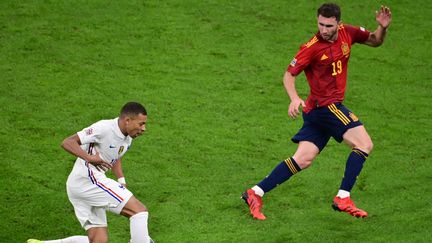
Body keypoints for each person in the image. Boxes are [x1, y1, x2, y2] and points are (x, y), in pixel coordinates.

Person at [242, 3, 392, 220]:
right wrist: (294, 98)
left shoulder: (347, 32)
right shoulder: (311, 47)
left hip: (315, 111)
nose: (323, 29)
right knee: (364, 144)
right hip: (326, 108)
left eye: (328, 25)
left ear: (338, 23)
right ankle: (343, 197)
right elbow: (288, 75)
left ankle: (255, 192)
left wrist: (383, 28)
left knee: (303, 159)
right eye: (320, 24)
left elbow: (375, 40)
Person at [28, 102, 153, 243]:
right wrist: (89, 158)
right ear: (128, 120)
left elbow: (115, 155)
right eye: (141, 124)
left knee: (99, 241)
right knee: (139, 211)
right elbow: (68, 142)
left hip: (80, 185)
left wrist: (121, 179)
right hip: (88, 180)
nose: (144, 129)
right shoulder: (104, 128)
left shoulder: (128, 137)